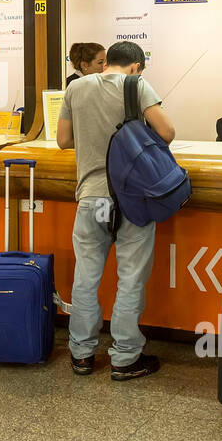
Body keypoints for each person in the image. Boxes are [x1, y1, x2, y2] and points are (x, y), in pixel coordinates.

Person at [56, 40, 176, 381]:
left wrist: (97, 137)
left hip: (90, 199)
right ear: (136, 66)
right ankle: (124, 357)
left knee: (85, 278)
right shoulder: (136, 85)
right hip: (131, 201)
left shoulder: (76, 88)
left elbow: (64, 140)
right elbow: (167, 132)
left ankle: (81, 354)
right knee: (130, 279)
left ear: (108, 61)